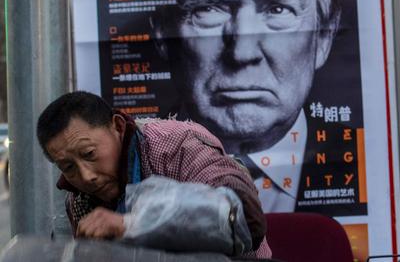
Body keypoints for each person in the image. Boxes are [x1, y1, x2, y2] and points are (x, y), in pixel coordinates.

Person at [149, 0, 352, 213]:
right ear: (163, 34)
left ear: (324, 36)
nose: (242, 53)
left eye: (278, 9)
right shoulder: (132, 165)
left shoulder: (357, 157)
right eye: (208, 8)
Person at [37, 91, 271, 258]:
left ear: (117, 127)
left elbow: (247, 219)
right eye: (68, 167)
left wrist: (130, 224)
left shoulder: (177, 146)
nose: (86, 176)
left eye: (89, 153)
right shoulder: (78, 199)